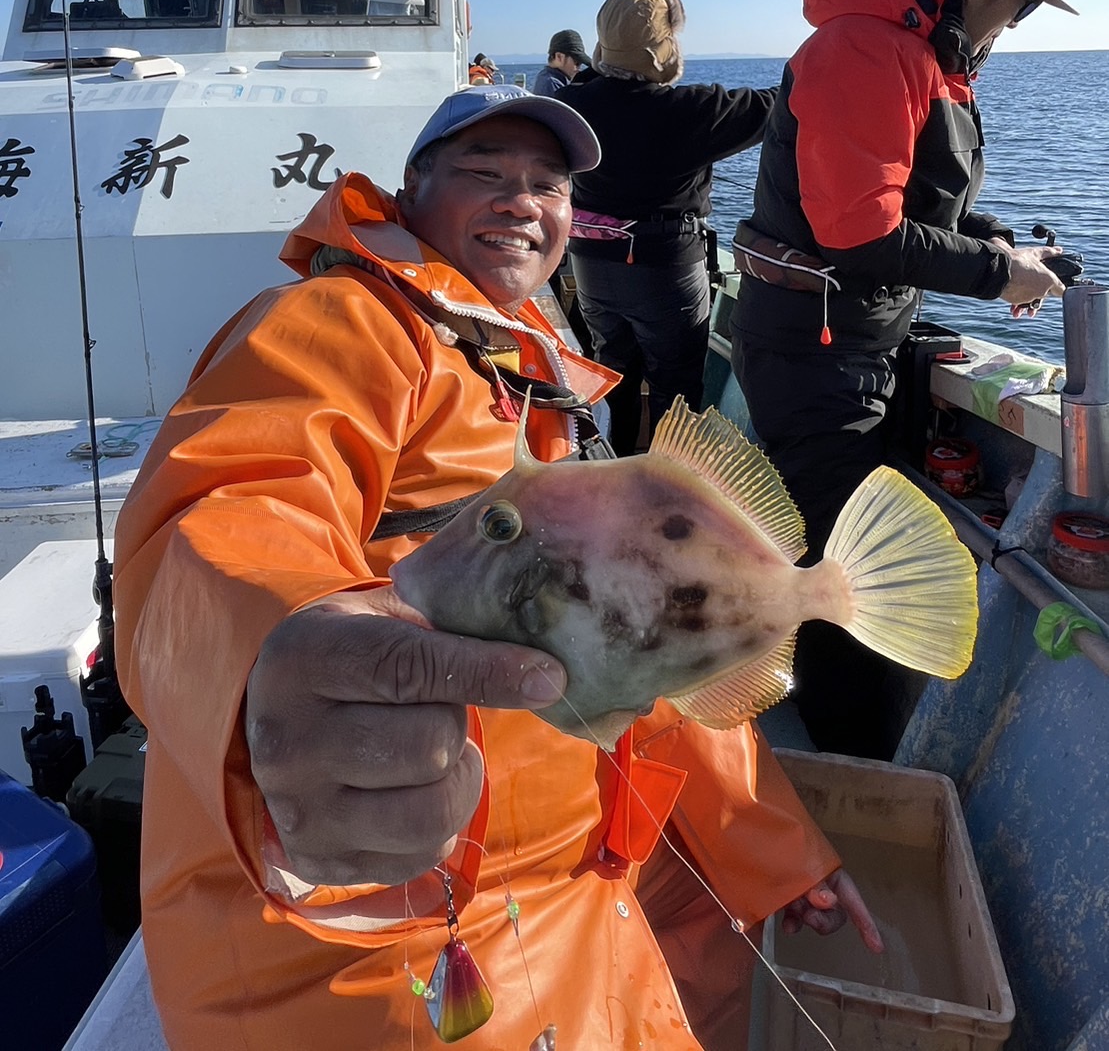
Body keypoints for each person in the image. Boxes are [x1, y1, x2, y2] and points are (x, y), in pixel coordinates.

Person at [114, 83, 878, 1050]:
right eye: (484, 173)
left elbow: (651, 648)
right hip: (388, 911)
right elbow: (227, 507)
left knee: (719, 952)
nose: (522, 198)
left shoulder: (538, 368)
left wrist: (779, 854)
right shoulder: (343, 325)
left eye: (548, 183)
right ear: (411, 192)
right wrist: (275, 649)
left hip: (581, 875)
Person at [730, 0, 1076, 759]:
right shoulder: (865, 46)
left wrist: (986, 241)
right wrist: (1000, 274)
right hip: (817, 354)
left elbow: (908, 199)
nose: (1018, 23)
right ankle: (843, 769)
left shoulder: (920, 50)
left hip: (852, 341)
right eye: (1022, 3)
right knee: (841, 570)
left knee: (840, 541)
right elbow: (858, 226)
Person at [567, 0, 775, 455]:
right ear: (664, 51)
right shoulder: (690, 110)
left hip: (591, 262)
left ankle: (611, 466)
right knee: (676, 387)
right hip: (665, 267)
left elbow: (584, 86)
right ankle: (664, 482)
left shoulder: (575, 105)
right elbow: (777, 104)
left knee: (612, 371)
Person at [532, 27, 592, 97]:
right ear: (559, 57)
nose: (578, 68)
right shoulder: (552, 84)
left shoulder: (546, 79)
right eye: (577, 63)